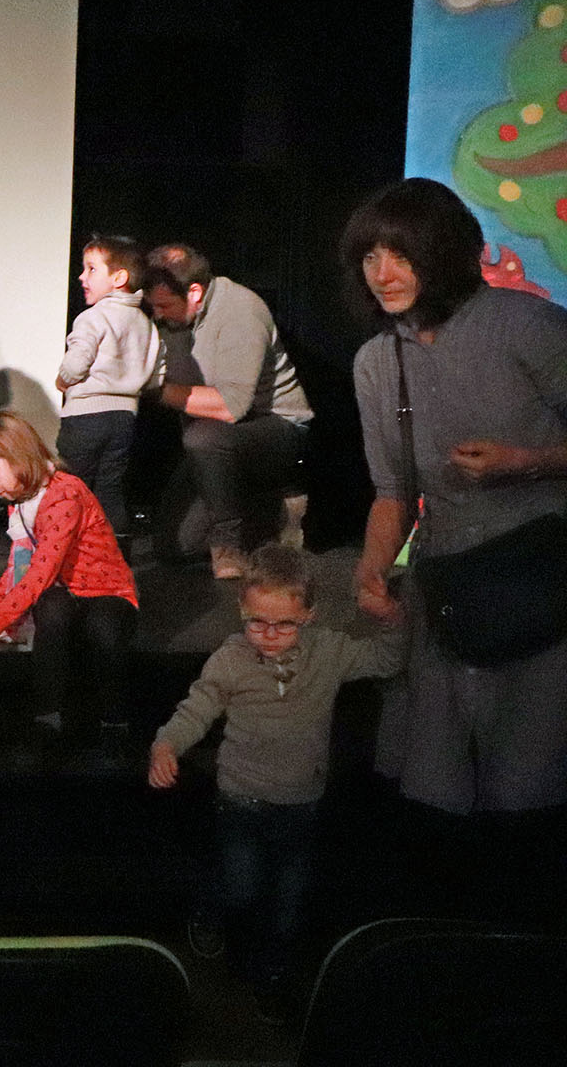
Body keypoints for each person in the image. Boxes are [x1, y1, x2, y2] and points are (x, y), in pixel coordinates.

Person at [345, 178, 567, 876]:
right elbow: (392, 491)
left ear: (443, 253)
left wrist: (527, 462)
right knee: (437, 780)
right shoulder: (377, 360)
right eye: (370, 256)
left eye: (401, 254)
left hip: (541, 574)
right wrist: (371, 570)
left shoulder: (527, 326)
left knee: (528, 773)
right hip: (447, 580)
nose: (383, 273)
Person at [151, 546, 407, 1010]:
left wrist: (392, 619)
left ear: (309, 614)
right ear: (241, 610)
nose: (269, 635)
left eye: (284, 624)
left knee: (289, 899)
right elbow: (197, 709)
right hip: (241, 800)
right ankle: (211, 909)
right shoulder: (230, 660)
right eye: (257, 622)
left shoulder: (329, 652)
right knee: (241, 887)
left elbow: (386, 660)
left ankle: (272, 975)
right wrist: (166, 745)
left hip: (302, 803)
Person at [0, 410, 139, 736]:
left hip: (106, 592)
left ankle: (114, 724)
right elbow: (17, 570)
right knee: (52, 610)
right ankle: (48, 717)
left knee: (104, 627)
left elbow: (41, 571)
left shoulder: (65, 493)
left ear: (17, 458)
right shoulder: (21, 502)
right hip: (66, 592)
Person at [143, 243, 312, 577]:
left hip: (275, 429)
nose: (157, 315)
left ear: (195, 292)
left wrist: (150, 388)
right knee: (174, 546)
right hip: (216, 443)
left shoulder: (240, 310)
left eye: (164, 306)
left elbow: (231, 406)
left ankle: (228, 546)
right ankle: (270, 510)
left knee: (203, 438)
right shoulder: (175, 321)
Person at [55, 233, 159, 539]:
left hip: (85, 417)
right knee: (109, 489)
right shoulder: (146, 324)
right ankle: (112, 553)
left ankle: (66, 553)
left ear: (119, 278)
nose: (81, 276)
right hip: (125, 419)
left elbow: (76, 364)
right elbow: (156, 376)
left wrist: (63, 380)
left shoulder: (93, 317)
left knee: (71, 486)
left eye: (91, 269)